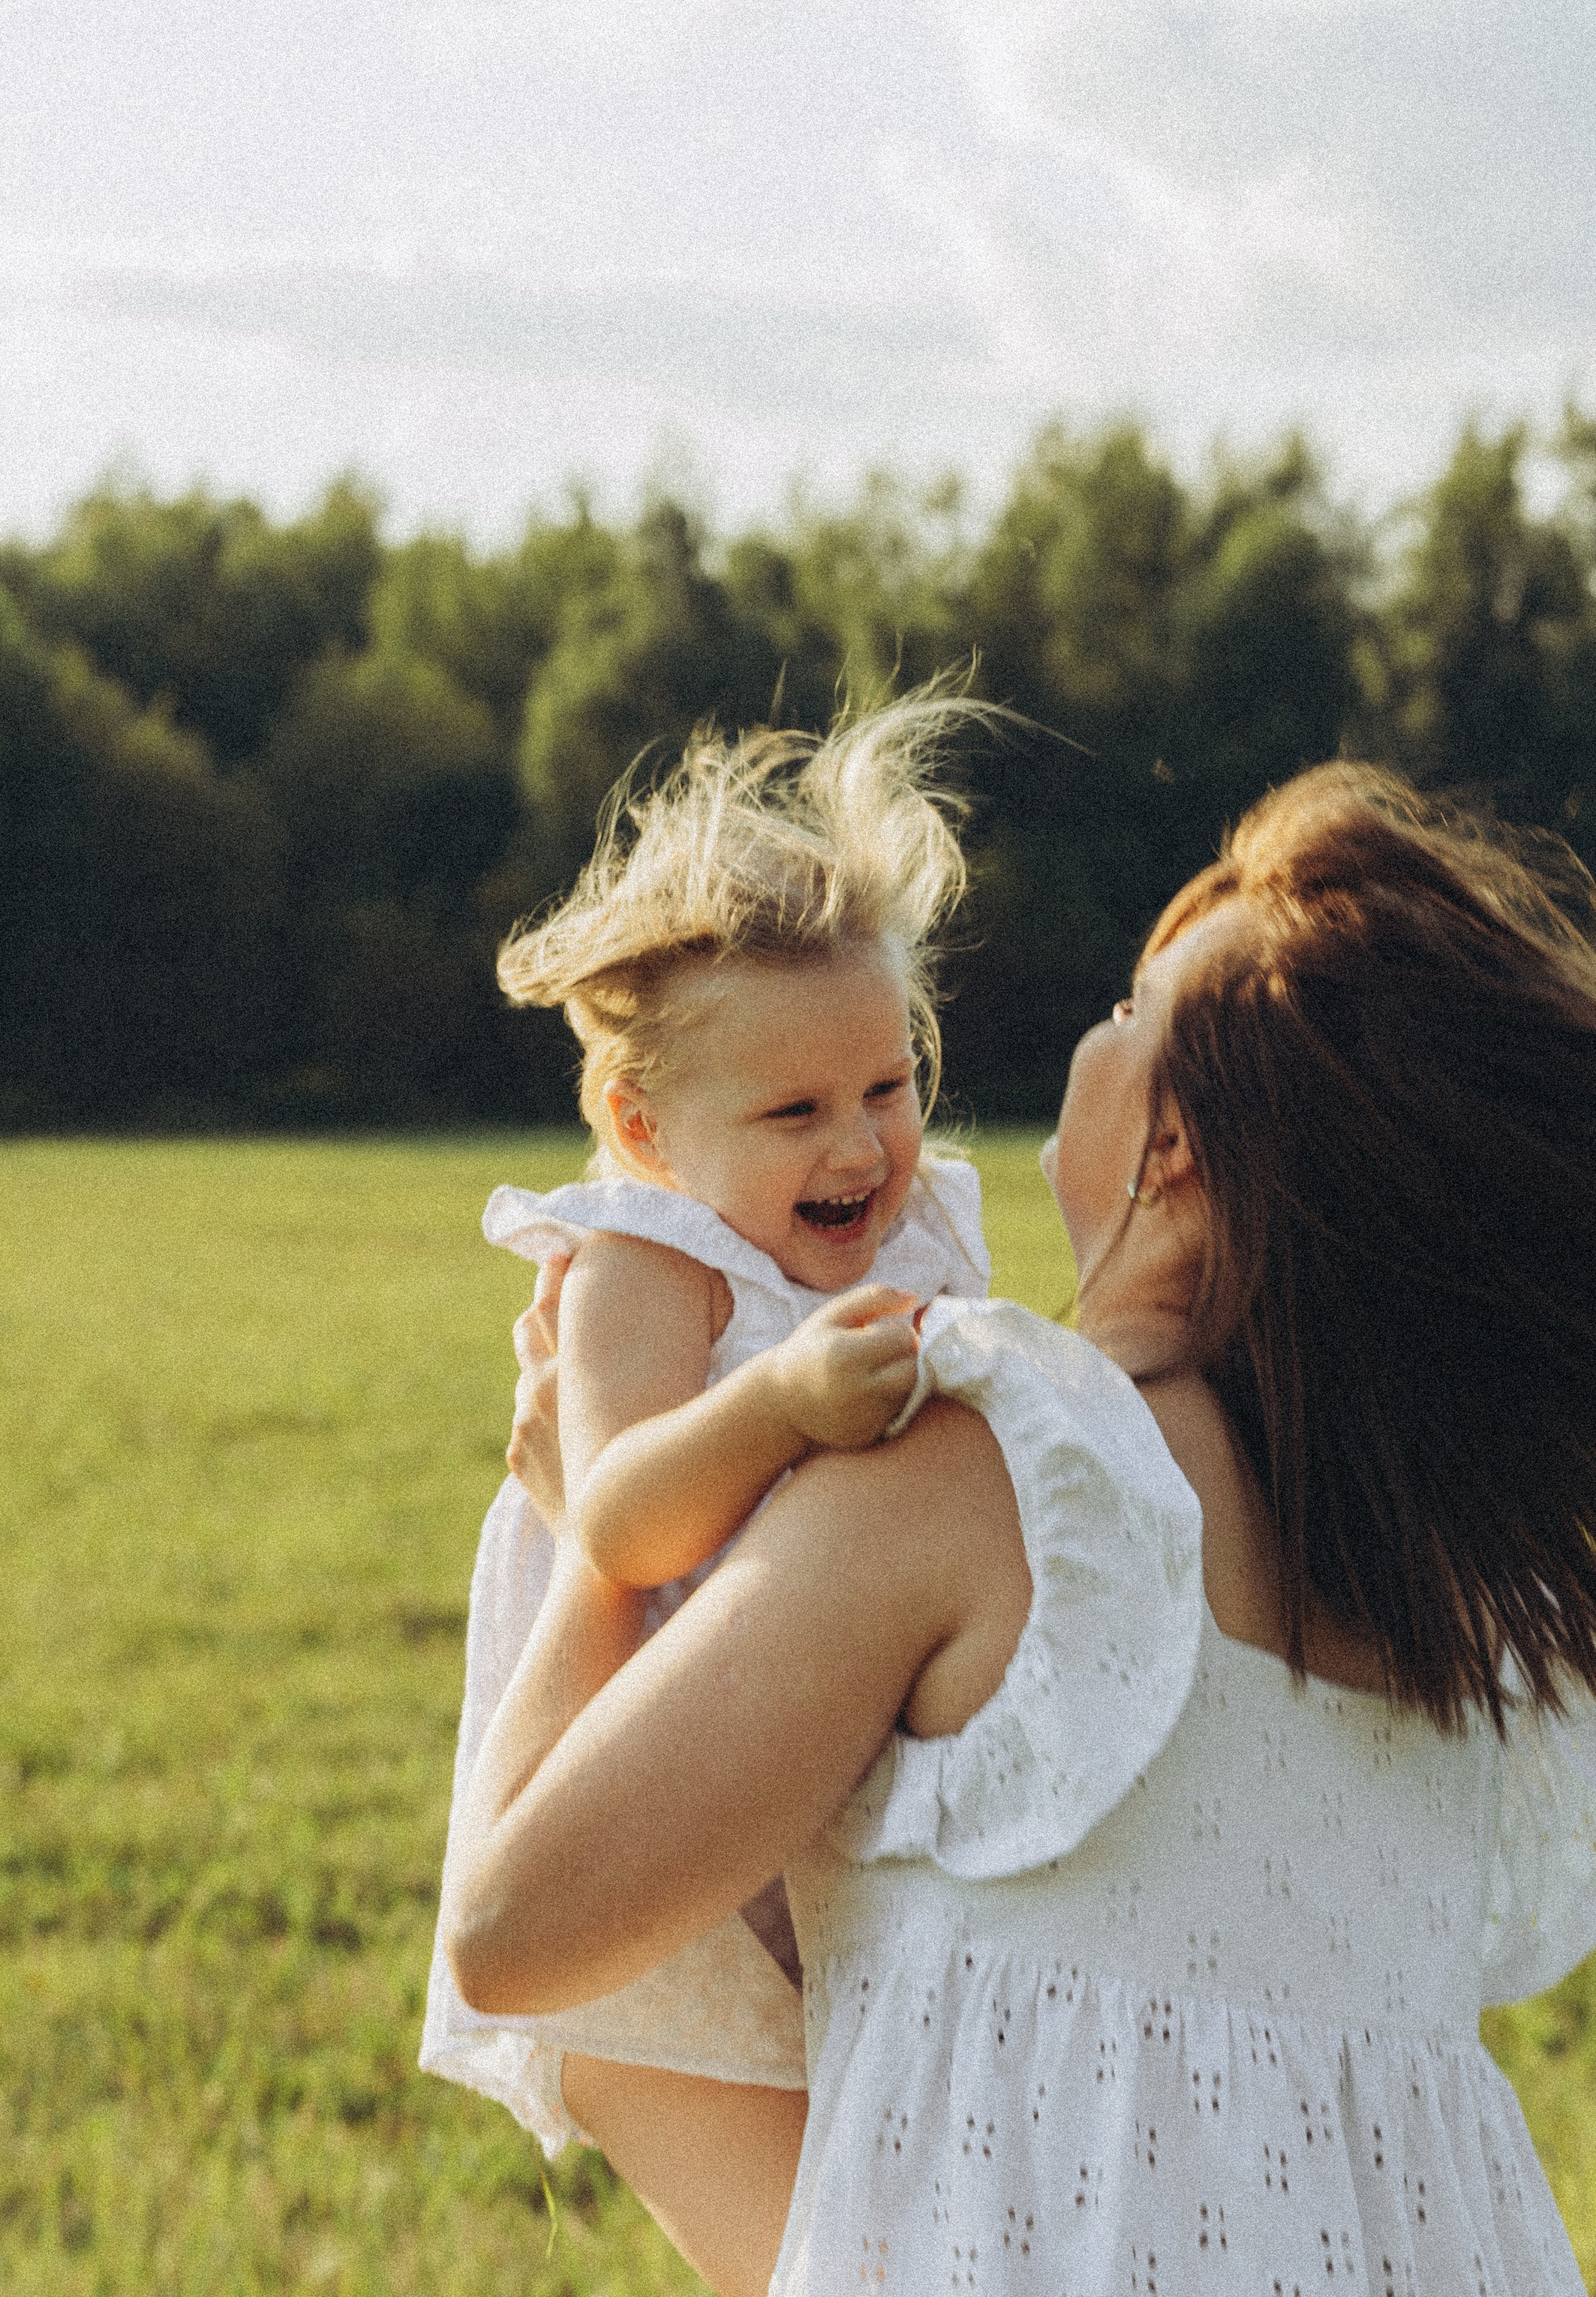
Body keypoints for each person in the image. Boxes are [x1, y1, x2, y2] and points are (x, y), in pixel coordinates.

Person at [443, 762, 1596, 2297]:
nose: (1092, 1033)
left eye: (1130, 1008)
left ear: (1171, 1150)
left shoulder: (996, 1468)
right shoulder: (1453, 1604)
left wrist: (586, 1544)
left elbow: (510, 1933)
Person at [421, 691, 993, 2160]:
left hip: (816, 1722)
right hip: (640, 1751)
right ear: (642, 1127)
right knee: (774, 2130)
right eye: (794, 1112)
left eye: (887, 1086)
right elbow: (616, 1515)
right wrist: (778, 1405)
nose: (860, 1145)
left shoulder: (910, 1227)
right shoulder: (652, 1259)